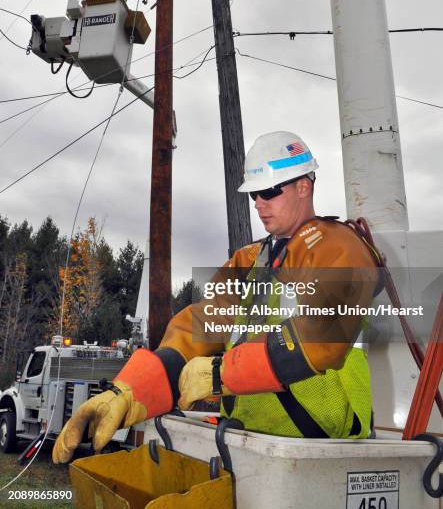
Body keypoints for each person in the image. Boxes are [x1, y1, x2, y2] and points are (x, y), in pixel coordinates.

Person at [53, 131, 380, 464]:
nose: (259, 204)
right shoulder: (251, 260)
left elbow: (323, 336)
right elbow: (202, 324)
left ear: (303, 187)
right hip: (250, 446)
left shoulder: (338, 247)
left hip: (325, 453)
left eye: (268, 191)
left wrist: (222, 374)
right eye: (254, 195)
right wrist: (129, 389)